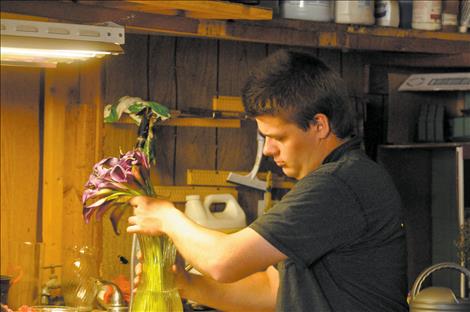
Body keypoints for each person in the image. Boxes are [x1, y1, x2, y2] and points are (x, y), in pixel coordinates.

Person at [127, 50, 408, 311]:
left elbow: (223, 261)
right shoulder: (337, 179)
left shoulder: (338, 183)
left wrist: (166, 217)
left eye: (278, 137)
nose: (268, 150)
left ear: (319, 126)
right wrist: (187, 285)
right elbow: (272, 289)